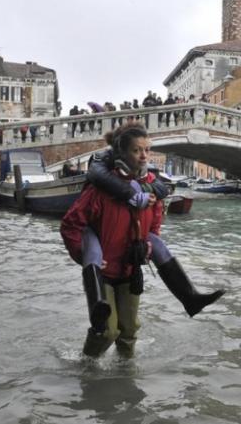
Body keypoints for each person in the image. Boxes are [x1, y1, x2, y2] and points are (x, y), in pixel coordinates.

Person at [61, 123, 224, 358]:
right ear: (122, 153)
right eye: (137, 150)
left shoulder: (152, 188)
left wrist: (150, 243)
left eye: (147, 150)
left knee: (128, 331)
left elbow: (155, 222)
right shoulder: (100, 190)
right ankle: (86, 367)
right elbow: (70, 225)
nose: (144, 156)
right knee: (107, 332)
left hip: (130, 269)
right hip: (103, 271)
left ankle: (126, 378)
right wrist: (81, 254)